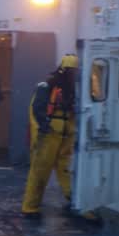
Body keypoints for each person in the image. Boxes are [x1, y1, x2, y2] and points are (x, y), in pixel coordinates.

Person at [21, 53, 79, 218]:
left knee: (66, 169)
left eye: (75, 71)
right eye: (70, 70)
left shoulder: (74, 88)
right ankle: (30, 207)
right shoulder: (46, 86)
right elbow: (37, 108)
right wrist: (44, 127)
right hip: (50, 134)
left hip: (67, 133)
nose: (73, 74)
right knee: (40, 170)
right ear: (63, 69)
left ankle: (75, 200)